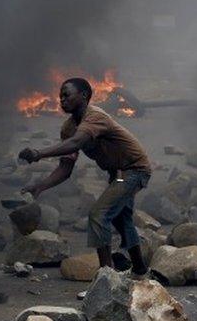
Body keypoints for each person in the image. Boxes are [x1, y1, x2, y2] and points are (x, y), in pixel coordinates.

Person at [18, 77, 153, 278]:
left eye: (67, 95)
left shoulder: (95, 117)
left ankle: (107, 278)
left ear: (84, 96)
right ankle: (140, 271)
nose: (62, 100)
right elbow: (66, 168)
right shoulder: (68, 128)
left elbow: (76, 142)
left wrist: (38, 153)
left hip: (134, 170)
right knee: (121, 219)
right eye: (60, 96)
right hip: (118, 173)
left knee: (99, 215)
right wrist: (41, 186)